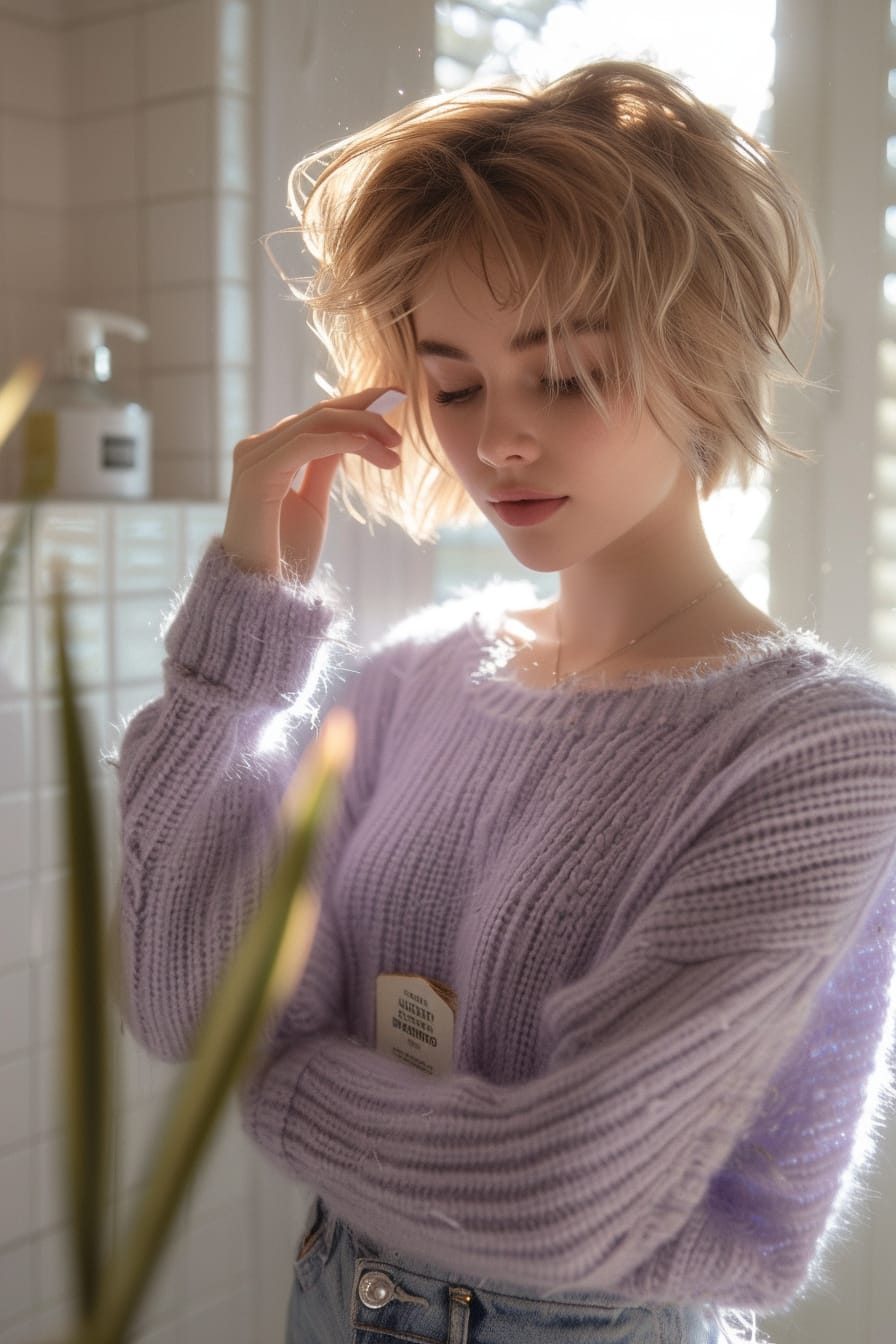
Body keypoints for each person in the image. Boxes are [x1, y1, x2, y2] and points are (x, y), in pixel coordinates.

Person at [113, 61, 896, 1344]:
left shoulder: (817, 756)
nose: (496, 443)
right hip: (335, 1295)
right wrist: (238, 636)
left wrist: (282, 1086)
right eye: (454, 382)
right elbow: (185, 1000)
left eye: (568, 374)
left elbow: (561, 1191)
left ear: (700, 359)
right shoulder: (415, 678)